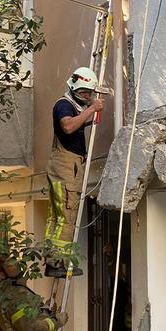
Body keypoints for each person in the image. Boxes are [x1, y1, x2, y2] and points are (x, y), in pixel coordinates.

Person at [44, 66, 105, 277]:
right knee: (67, 214)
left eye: (90, 93)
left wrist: (89, 110)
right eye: (83, 93)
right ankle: (57, 263)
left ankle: (52, 259)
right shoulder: (64, 105)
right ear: (73, 88)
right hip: (65, 165)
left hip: (63, 164)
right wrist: (92, 108)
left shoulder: (73, 105)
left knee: (57, 216)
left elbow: (74, 126)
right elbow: (68, 127)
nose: (86, 96)